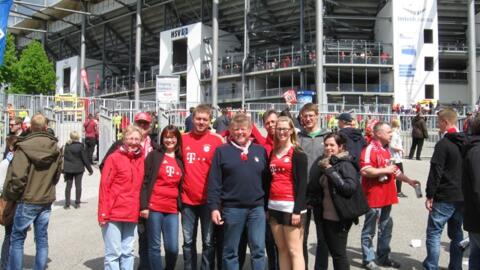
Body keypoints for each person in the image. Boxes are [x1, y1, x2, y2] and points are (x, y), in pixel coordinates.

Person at [208, 113, 269, 270]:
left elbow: (267, 181)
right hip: (232, 209)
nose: (240, 132)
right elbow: (215, 181)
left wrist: (267, 208)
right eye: (236, 129)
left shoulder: (260, 151)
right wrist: (214, 207)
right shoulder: (222, 151)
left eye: (243, 129)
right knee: (230, 252)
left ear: (250, 131)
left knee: (258, 251)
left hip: (257, 209)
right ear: (230, 130)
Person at [3, 113, 62, 270]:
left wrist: (12, 196)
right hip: (46, 198)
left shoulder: (24, 147)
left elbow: (17, 177)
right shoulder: (55, 147)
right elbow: (56, 175)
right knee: (41, 237)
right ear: (45, 127)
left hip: (27, 198)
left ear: (30, 127)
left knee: (17, 238)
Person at [360, 122, 419, 270]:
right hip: (373, 198)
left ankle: (383, 257)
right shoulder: (369, 149)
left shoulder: (386, 150)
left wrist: (409, 181)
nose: (391, 134)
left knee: (386, 229)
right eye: (388, 132)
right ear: (379, 133)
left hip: (387, 197)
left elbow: (395, 171)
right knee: (369, 231)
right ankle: (368, 260)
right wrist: (385, 170)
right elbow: (365, 170)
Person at [100, 111, 155, 270]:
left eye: (136, 139)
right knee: (113, 252)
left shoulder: (140, 159)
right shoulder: (114, 157)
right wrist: (103, 212)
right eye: (130, 138)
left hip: (131, 211)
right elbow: (105, 185)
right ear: (124, 138)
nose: (133, 141)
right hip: (114, 211)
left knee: (127, 251)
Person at [307, 132, 360, 270]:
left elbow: (349, 188)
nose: (328, 148)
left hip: (338, 217)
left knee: (338, 254)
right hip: (325, 215)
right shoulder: (325, 162)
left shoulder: (345, 163)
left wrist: (330, 171)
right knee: (331, 250)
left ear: (341, 147)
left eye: (332, 145)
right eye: (326, 145)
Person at [181, 104, 223, 270]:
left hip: (208, 202)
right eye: (198, 118)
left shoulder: (217, 141)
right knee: (188, 242)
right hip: (187, 200)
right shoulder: (182, 139)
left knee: (208, 242)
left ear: (210, 121)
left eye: (205, 119)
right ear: (193, 119)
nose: (201, 122)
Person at [423, 108, 465, 270]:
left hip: (445, 195)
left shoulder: (444, 144)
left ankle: (431, 266)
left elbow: (436, 171)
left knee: (434, 233)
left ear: (446, 122)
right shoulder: (466, 141)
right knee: (457, 234)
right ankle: (456, 267)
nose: (438, 124)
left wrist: (429, 195)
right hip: (461, 195)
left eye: (439, 121)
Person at [140, 125, 184, 270]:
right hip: (154, 207)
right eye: (166, 137)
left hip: (171, 209)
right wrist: (144, 206)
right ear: (162, 138)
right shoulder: (154, 155)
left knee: (172, 248)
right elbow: (145, 181)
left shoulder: (180, 159)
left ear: (177, 139)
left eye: (172, 137)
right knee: (154, 246)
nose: (169, 140)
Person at [268, 116, 308, 270]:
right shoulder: (274, 151)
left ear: (291, 130)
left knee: (294, 250)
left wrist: (297, 210)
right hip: (273, 206)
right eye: (279, 129)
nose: (281, 132)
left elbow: (302, 184)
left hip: (291, 207)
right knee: (282, 249)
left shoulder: (298, 153)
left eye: (285, 128)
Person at [297, 103, 328, 270]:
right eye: (304, 116)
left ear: (317, 116)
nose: (308, 119)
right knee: (301, 236)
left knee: (323, 237)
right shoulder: (298, 138)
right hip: (302, 194)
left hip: (323, 195)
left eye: (311, 115)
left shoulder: (327, 137)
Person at [462, 115, 480, 270]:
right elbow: (478, 189)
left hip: (474, 216)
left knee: (476, 254)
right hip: (477, 216)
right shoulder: (476, 151)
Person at [62, 131, 93, 209]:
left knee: (68, 186)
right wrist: (90, 170)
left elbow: (64, 157)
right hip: (79, 168)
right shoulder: (80, 146)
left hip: (68, 168)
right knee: (78, 185)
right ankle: (77, 203)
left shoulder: (67, 146)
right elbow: (84, 159)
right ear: (78, 137)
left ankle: (67, 203)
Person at [0, 135, 18, 270]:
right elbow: (1, 185)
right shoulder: (5, 164)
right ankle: (6, 264)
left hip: (15, 202)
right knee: (10, 234)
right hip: (9, 202)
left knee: (13, 235)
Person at [389, 119, 406, 198]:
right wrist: (401, 149)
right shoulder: (394, 134)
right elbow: (392, 145)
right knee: (399, 174)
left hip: (396, 157)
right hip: (395, 157)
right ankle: (397, 191)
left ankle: (396, 191)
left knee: (396, 174)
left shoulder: (394, 133)